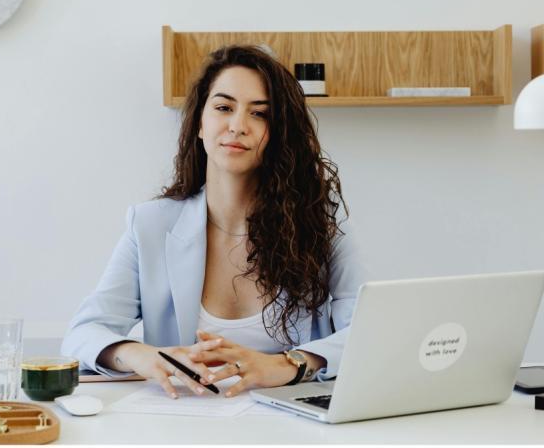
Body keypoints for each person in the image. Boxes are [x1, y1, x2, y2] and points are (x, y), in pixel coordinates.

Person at [61, 44, 367, 399]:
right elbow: (84, 332)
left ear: (279, 132)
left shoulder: (324, 227)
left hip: (292, 423)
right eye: (223, 108)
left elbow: (366, 334)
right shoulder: (150, 225)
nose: (237, 126)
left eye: (260, 114)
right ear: (200, 124)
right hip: (183, 423)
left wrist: (289, 363)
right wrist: (142, 355)